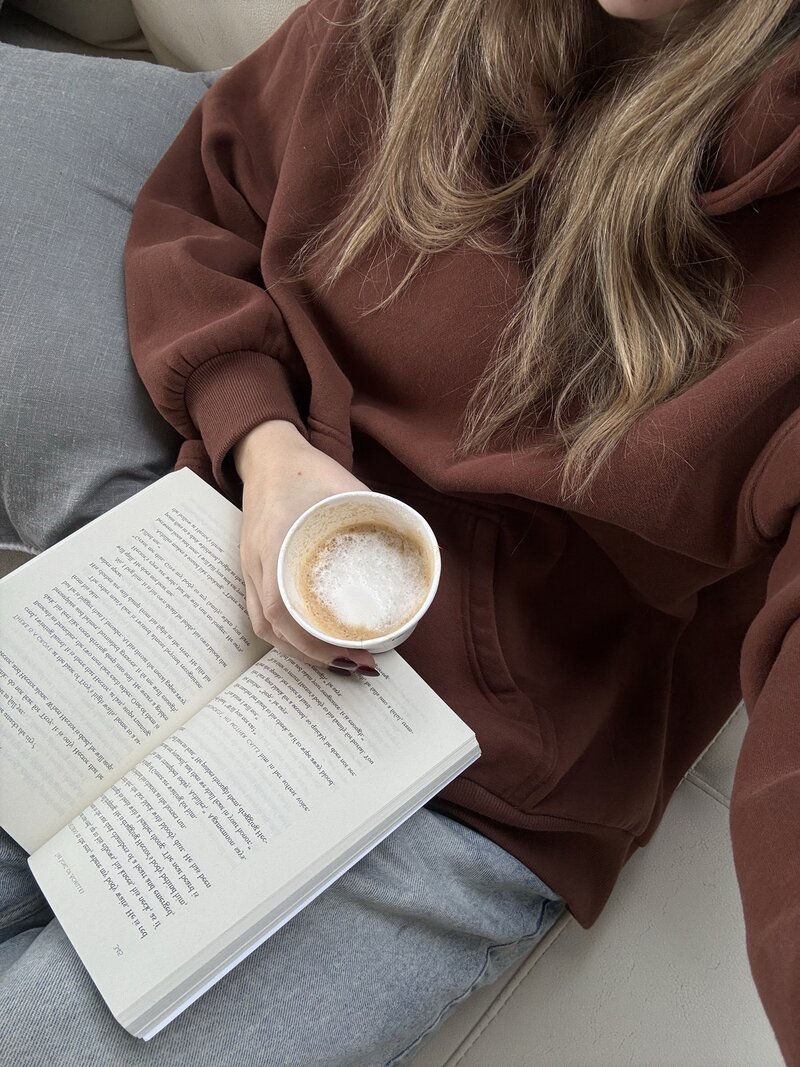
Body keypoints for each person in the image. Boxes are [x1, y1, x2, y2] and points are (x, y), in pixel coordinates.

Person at [2, 0, 800, 1062]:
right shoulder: (402, 21)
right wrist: (263, 445)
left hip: (470, 782)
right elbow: (218, 190)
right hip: (215, 558)